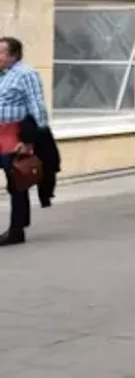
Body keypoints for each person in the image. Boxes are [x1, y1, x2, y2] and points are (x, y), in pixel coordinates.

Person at [0, 36, 49, 246]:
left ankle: (16, 230)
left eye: (1, 52)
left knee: (16, 183)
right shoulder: (3, 75)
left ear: (13, 55)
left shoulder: (26, 74)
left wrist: (29, 142)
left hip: (14, 135)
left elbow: (37, 108)